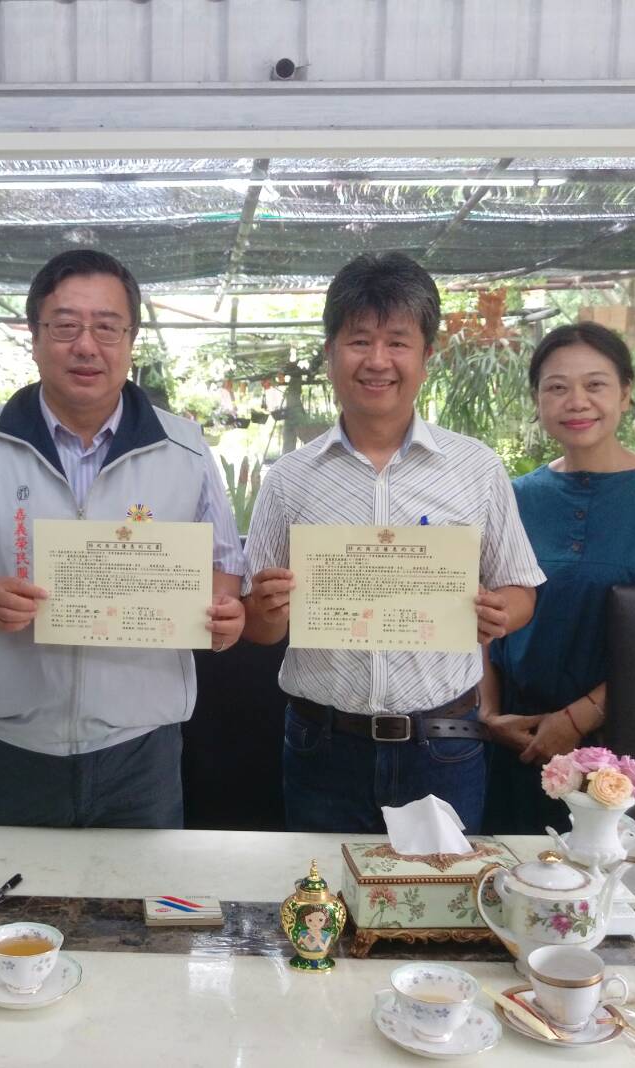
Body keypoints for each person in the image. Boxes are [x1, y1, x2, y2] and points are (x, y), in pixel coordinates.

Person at [0, 248, 246, 829]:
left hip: (140, 743)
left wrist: (222, 609)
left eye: (107, 327)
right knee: (12, 909)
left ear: (131, 339)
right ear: (35, 337)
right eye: (65, 326)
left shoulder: (185, 449)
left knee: (140, 911)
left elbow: (223, 565)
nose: (86, 345)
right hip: (14, 742)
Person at [241, 252, 545, 835]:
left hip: (443, 747)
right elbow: (261, 629)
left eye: (398, 342)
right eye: (358, 341)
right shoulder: (289, 479)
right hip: (322, 746)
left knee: (441, 916)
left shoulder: (476, 468)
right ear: (330, 352)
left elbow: (520, 588)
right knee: (324, 912)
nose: (377, 361)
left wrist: (501, 611)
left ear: (427, 356)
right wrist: (267, 607)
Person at [480, 322, 635, 834]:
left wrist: (574, 721)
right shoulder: (512, 497)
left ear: (626, 394)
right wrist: (489, 713)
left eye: (595, 384)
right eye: (557, 387)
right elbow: (475, 611)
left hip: (622, 754)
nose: (576, 401)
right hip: (513, 744)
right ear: (537, 399)